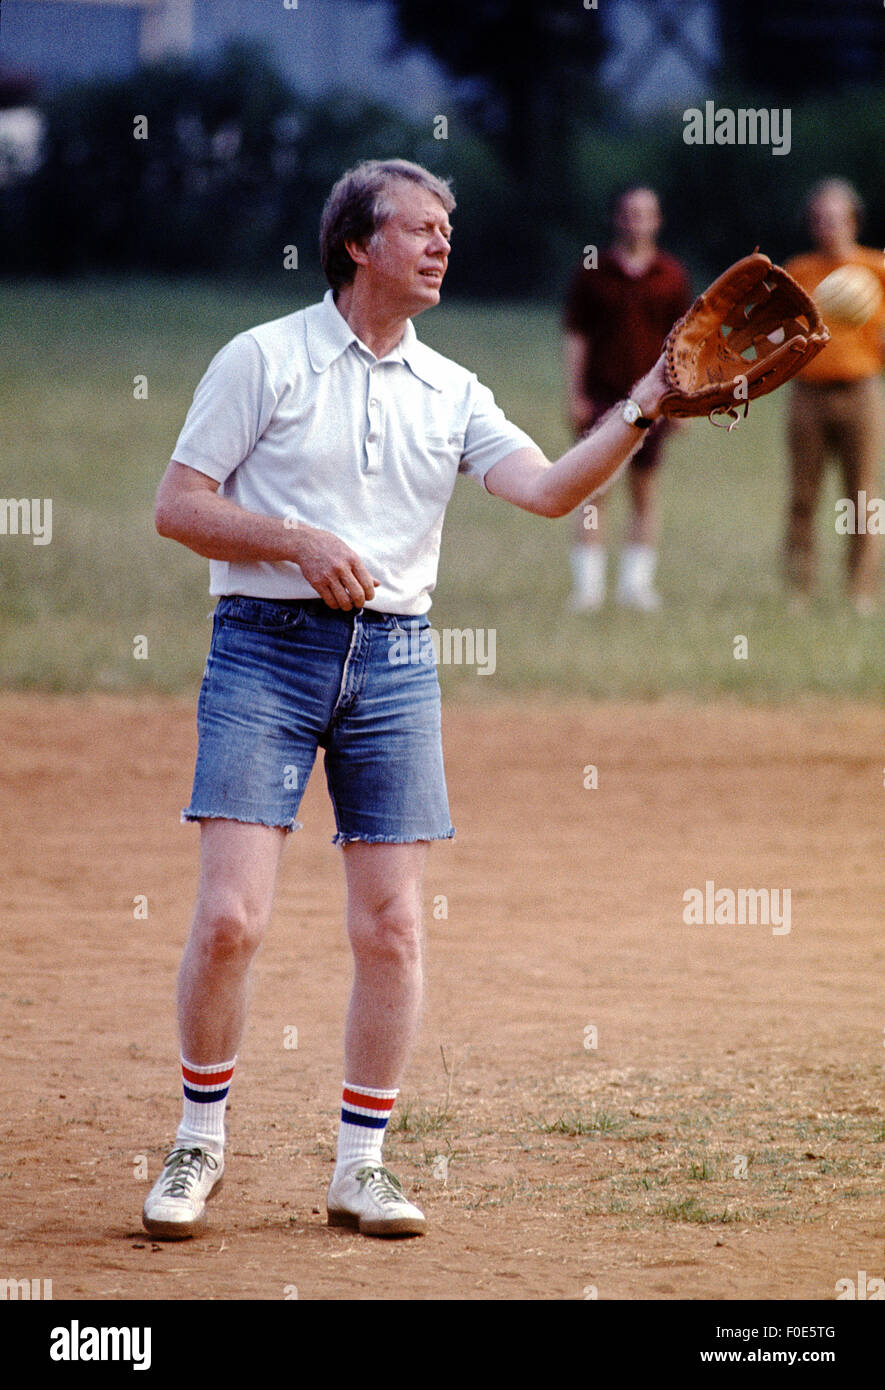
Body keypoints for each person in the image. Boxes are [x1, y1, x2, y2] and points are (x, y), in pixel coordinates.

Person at [145, 158, 672, 1242]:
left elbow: (549, 490)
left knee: (390, 928)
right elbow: (178, 505)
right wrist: (294, 539)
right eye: (419, 227)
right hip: (262, 652)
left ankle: (362, 1165)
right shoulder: (265, 358)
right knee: (232, 916)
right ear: (356, 244)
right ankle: (199, 1140)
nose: (441, 244)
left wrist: (645, 401)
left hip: (394, 665)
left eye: (447, 229)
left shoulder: (453, 389)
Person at [563, 185, 692, 611]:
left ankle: (636, 586)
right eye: (629, 214)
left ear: (658, 220)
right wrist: (574, 393)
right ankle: (589, 588)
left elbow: (686, 343)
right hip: (603, 395)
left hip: (654, 399)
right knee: (592, 490)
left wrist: (683, 400)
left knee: (644, 491)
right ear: (618, 219)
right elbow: (575, 335)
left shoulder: (672, 274)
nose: (637, 221)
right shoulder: (593, 270)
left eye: (645, 214)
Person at [783, 178, 885, 612]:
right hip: (808, 394)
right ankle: (798, 590)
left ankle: (860, 591)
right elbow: (778, 336)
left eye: (836, 219)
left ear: (854, 221)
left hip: (862, 392)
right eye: (820, 220)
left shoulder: (876, 269)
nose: (828, 228)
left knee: (863, 496)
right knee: (803, 494)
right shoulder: (798, 272)